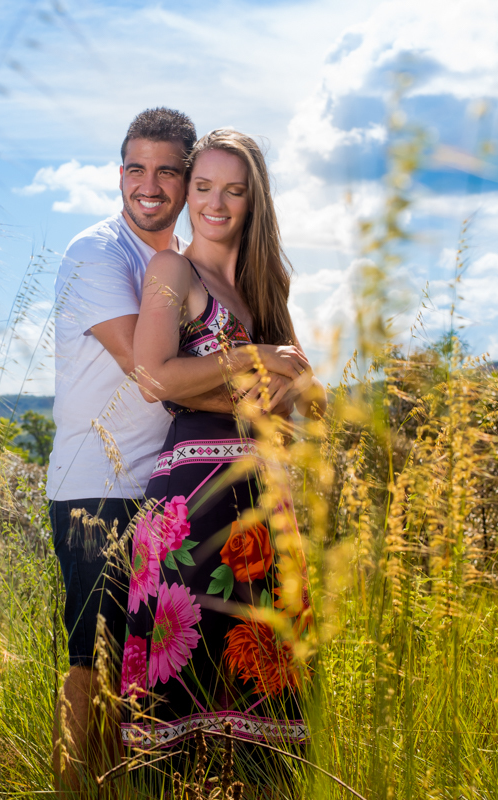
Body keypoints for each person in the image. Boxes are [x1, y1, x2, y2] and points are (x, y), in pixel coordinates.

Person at [47, 110, 296, 794]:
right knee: (93, 661)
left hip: (168, 483)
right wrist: (261, 385)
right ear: (119, 174)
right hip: (97, 482)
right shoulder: (99, 253)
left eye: (166, 171)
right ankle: (76, 791)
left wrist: (283, 397)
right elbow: (152, 374)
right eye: (135, 169)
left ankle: (133, 787)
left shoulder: (198, 262)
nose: (148, 185)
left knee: (158, 667)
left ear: (184, 182)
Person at [119, 128, 326, 791]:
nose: (213, 203)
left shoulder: (271, 286)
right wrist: (252, 361)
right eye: (202, 187)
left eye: (232, 190)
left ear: (253, 199)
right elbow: (155, 375)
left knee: (269, 715)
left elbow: (292, 406)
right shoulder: (172, 271)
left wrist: (287, 388)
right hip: (191, 509)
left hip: (265, 506)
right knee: (179, 713)